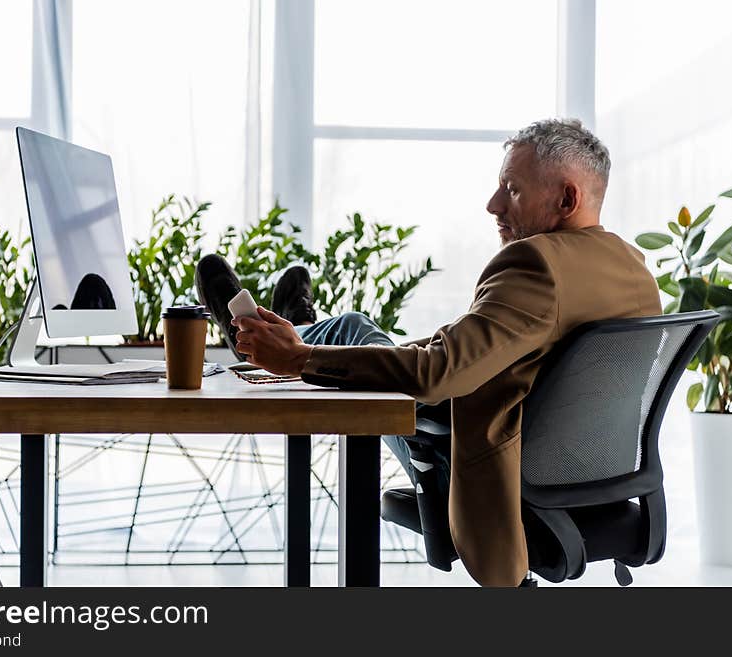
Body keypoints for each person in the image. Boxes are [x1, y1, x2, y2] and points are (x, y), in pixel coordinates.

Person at [195, 118, 662, 587]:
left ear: (566, 199)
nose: (493, 204)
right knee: (357, 332)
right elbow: (502, 348)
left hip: (478, 463)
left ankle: (262, 334)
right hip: (588, 478)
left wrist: (299, 360)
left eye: (512, 190)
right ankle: (300, 325)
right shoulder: (631, 269)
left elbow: (436, 376)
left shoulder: (536, 263)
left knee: (354, 329)